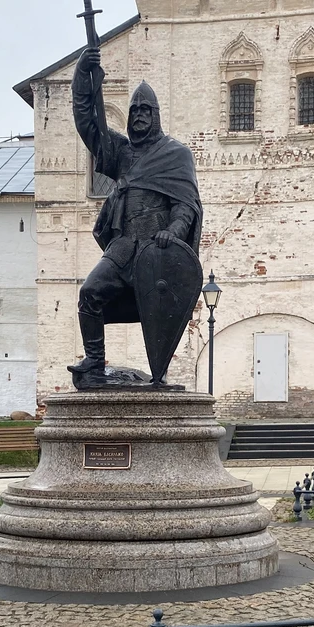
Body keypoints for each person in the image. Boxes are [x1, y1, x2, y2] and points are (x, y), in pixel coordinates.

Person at [68, 46, 203, 386]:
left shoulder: (175, 154)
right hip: (124, 245)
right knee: (90, 292)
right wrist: (82, 75)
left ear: (156, 115)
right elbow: (87, 122)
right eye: (134, 110)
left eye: (146, 110)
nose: (139, 115)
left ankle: (160, 373)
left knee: (157, 309)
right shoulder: (120, 151)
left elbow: (186, 204)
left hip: (156, 248)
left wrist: (174, 232)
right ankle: (94, 363)